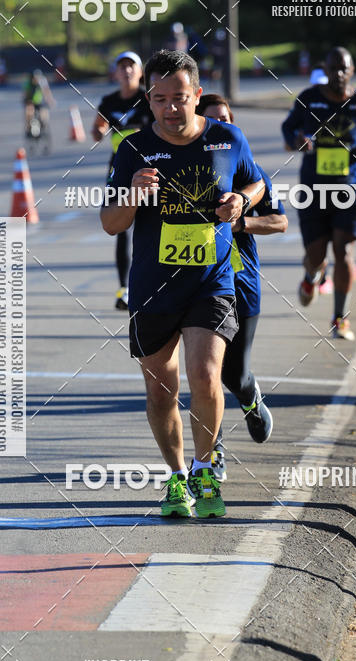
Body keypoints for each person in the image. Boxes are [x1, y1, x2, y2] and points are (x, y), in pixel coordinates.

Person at [100, 50, 264, 518]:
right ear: (148, 100)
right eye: (160, 99)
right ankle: (175, 477)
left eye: (180, 97)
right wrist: (132, 193)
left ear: (196, 95)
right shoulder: (131, 148)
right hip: (153, 288)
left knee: (206, 375)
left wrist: (240, 199)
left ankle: (204, 467)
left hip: (210, 283)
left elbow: (258, 185)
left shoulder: (227, 139)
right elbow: (111, 224)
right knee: (160, 391)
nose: (171, 108)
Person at [196, 93, 288, 479]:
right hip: (200, 285)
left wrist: (240, 224)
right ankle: (211, 452)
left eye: (227, 121)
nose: (222, 127)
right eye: (213, 121)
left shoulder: (250, 174)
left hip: (242, 281)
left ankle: (250, 398)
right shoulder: (190, 172)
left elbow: (280, 222)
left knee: (234, 374)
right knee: (206, 374)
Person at [281, 46, 356, 341]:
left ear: (352, 71)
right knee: (316, 255)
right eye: (333, 69)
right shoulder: (309, 100)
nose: (338, 74)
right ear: (325, 71)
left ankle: (340, 318)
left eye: (344, 68)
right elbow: (288, 130)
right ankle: (312, 275)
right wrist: (297, 141)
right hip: (314, 191)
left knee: (344, 251)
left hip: (350, 190)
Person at [92, 51, 154, 310]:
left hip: (148, 165)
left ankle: (153, 283)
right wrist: (99, 130)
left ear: (140, 72)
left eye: (132, 67)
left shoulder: (148, 98)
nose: (127, 71)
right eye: (122, 67)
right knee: (119, 227)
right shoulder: (108, 101)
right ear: (115, 73)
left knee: (151, 223)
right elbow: (97, 130)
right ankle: (124, 289)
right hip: (119, 167)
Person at [22, 69, 54, 134]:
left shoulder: (42, 82)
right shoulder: (28, 83)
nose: (36, 80)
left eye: (37, 78)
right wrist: (26, 101)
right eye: (34, 78)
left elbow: (47, 91)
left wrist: (50, 100)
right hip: (30, 101)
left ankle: (43, 125)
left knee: (44, 113)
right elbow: (25, 94)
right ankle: (29, 127)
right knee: (29, 111)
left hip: (40, 101)